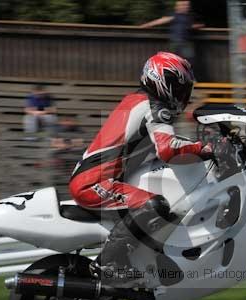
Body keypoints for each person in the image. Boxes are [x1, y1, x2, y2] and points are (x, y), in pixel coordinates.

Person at [69, 52, 214, 285]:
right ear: (161, 81)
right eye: (178, 87)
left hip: (99, 178)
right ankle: (108, 263)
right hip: (94, 183)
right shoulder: (154, 106)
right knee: (153, 205)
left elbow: (161, 146)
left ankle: (153, 257)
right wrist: (206, 149)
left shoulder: (139, 100)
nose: (182, 93)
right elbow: (167, 148)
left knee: (160, 198)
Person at [140, 1, 204, 65]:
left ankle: (186, 73)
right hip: (176, 42)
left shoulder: (188, 17)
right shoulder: (174, 15)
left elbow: (190, 26)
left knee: (189, 62)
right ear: (177, 7)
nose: (186, 7)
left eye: (187, 5)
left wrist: (198, 26)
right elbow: (160, 21)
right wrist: (147, 25)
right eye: (183, 5)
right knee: (175, 62)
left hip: (186, 43)